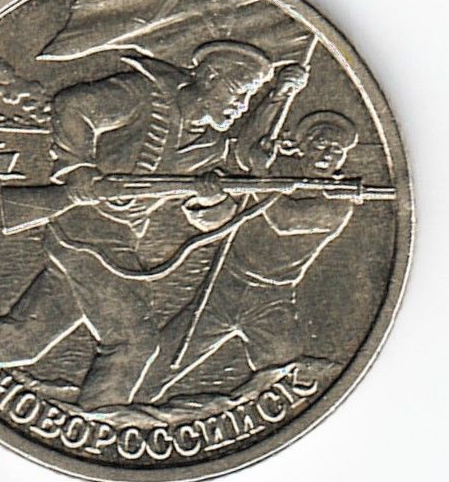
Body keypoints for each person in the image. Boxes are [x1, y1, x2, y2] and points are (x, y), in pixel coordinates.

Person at [0, 42, 309, 410]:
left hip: (116, 241)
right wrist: (79, 170)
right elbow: (72, 107)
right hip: (85, 234)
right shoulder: (146, 94)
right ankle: (102, 420)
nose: (241, 107)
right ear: (210, 78)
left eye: (248, 99)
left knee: (26, 338)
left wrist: (210, 198)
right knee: (133, 342)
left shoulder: (210, 147)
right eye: (238, 94)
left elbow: (214, 215)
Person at [135, 109, 361, 404]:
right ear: (303, 146)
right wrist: (212, 194)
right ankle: (125, 410)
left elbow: (283, 219)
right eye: (321, 143)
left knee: (287, 384)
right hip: (224, 287)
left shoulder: (339, 202)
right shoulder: (278, 168)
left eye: (337, 150)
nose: (328, 154)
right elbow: (246, 153)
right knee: (159, 364)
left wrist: (260, 173)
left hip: (271, 300)